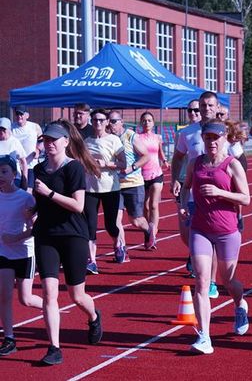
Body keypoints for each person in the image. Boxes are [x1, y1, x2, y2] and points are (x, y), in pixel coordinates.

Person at [32, 121, 103, 365]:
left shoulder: (73, 168)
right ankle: (54, 347)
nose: (49, 143)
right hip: (46, 235)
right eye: (46, 139)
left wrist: (49, 193)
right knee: (49, 293)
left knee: (76, 295)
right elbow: (38, 204)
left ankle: (93, 316)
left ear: (65, 142)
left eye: (54, 139)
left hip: (73, 235)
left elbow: (78, 205)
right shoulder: (38, 170)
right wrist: (26, 210)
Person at [178, 120, 251, 354]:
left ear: (224, 139)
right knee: (201, 282)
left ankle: (240, 304)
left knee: (228, 281)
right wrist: (183, 205)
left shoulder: (232, 165)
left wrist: (220, 192)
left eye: (216, 138)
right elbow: (186, 186)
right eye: (208, 138)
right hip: (200, 228)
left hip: (227, 230)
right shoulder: (195, 163)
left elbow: (246, 198)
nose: (212, 142)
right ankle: (205, 337)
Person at [171, 91, 231, 298]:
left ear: (216, 107)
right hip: (191, 191)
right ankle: (199, 261)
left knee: (209, 238)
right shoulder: (188, 133)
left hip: (216, 196)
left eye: (209, 106)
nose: (205, 109)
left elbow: (238, 159)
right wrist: (175, 180)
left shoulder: (225, 131)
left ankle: (211, 281)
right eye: (202, 106)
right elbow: (178, 157)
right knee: (186, 235)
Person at [0, 155, 43, 357]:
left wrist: (16, 237)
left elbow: (36, 228)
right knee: (4, 295)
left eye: (4, 172)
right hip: (3, 253)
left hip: (25, 251)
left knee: (25, 299)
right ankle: (9, 338)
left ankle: (50, 307)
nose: (0, 176)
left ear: (14, 175)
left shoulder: (26, 198)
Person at [84, 109, 127, 273]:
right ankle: (92, 261)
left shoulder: (114, 140)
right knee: (90, 226)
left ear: (107, 122)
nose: (98, 123)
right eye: (95, 120)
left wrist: (106, 164)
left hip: (110, 187)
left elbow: (123, 164)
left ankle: (118, 242)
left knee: (111, 225)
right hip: (90, 188)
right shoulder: (87, 141)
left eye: (101, 120)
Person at [108, 111, 155, 251]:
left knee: (135, 220)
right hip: (114, 185)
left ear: (121, 122)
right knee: (116, 219)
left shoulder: (130, 136)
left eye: (114, 121)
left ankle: (148, 230)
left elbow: (146, 156)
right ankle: (121, 249)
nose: (111, 124)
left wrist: (132, 167)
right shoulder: (107, 138)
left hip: (133, 183)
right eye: (109, 121)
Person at [174, 100, 201, 277]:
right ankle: (194, 251)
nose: (193, 113)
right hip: (185, 183)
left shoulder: (214, 131)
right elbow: (177, 157)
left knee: (200, 229)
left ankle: (199, 258)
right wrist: (175, 179)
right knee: (185, 231)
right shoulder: (184, 133)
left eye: (196, 110)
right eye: (189, 110)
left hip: (206, 186)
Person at [138, 112, 169, 246]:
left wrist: (165, 160)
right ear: (141, 123)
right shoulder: (137, 138)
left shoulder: (157, 137)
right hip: (141, 175)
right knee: (145, 206)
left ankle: (153, 234)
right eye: (144, 121)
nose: (147, 123)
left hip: (156, 173)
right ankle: (147, 231)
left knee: (154, 205)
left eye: (149, 120)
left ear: (153, 122)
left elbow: (160, 151)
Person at [11, 106, 42, 189]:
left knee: (29, 191)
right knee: (16, 191)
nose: (19, 116)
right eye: (17, 114)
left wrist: (38, 150)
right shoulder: (11, 128)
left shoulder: (35, 126)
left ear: (27, 115)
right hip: (16, 166)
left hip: (31, 165)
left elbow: (41, 141)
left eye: (21, 114)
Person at [0, 117, 28, 189]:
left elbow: (24, 162)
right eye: (0, 129)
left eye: (3, 129)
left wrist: (25, 180)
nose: (1, 131)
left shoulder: (14, 142)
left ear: (9, 129)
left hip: (14, 179)